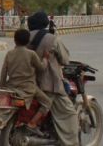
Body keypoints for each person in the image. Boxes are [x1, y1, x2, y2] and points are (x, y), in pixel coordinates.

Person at [27, 11, 79, 146]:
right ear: (45, 23)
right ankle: (70, 143)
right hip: (48, 83)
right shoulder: (52, 38)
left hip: (27, 82)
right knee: (69, 113)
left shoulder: (24, 37)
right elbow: (65, 59)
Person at [0, 28, 52, 134]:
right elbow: (41, 68)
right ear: (28, 41)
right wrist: (45, 59)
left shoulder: (9, 53)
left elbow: (3, 73)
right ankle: (33, 123)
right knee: (47, 102)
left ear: (14, 40)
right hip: (29, 87)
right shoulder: (31, 54)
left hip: (11, 87)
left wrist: (1, 89)